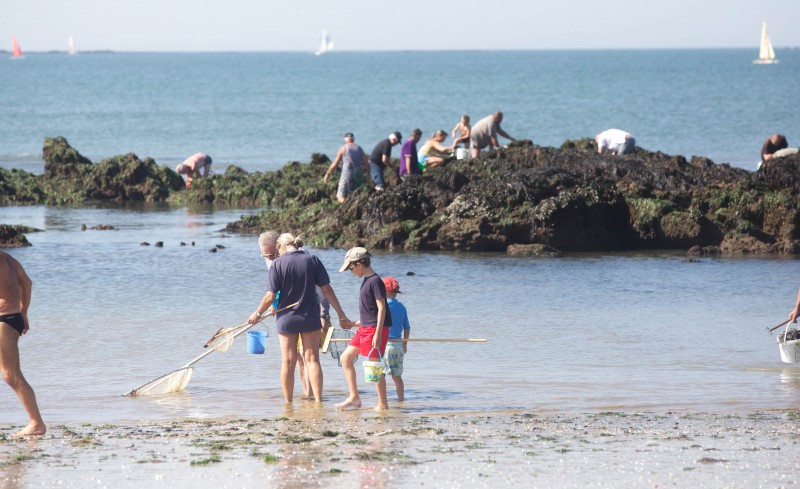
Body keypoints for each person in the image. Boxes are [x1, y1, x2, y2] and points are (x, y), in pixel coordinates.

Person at [248, 233, 350, 403]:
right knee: (312, 359)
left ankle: (288, 403)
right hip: (310, 316)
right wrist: (341, 314)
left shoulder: (277, 264)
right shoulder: (313, 260)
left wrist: (257, 313)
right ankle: (318, 401)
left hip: (286, 319)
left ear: (281, 247)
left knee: (288, 362)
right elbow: (327, 290)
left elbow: (270, 296)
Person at [258, 231, 332, 399]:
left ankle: (298, 399)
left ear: (280, 247)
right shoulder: (307, 260)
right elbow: (276, 292)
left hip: (295, 317)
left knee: (296, 359)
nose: (269, 259)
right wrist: (273, 306)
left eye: (272, 254)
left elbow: (321, 291)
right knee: (304, 358)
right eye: (265, 256)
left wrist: (325, 315)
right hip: (303, 315)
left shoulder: (288, 261)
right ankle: (307, 397)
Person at [335, 247, 392, 411]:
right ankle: (354, 397)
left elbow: (382, 309)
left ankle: (383, 404)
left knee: (374, 367)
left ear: (359, 264)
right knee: (346, 358)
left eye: (351, 268)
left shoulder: (375, 281)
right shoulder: (366, 281)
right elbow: (371, 314)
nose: (351, 271)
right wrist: (353, 324)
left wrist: (378, 333)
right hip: (365, 329)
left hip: (375, 330)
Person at [0, 250, 46, 437]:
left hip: (3, 320)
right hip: (13, 317)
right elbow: (26, 282)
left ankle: (36, 423)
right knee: (10, 373)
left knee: (11, 374)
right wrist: (23, 312)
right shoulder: (7, 257)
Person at [382, 277, 410, 401]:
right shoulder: (402, 307)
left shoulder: (382, 306)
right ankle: (401, 400)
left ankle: (382, 401)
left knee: (380, 374)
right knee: (397, 376)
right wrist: (405, 343)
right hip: (398, 345)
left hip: (384, 345)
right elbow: (407, 327)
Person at [323, 132, 369, 203]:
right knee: (357, 196)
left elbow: (336, 163)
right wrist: (368, 175)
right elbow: (366, 163)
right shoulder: (359, 148)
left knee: (340, 196)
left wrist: (327, 174)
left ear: (345, 139)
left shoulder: (343, 148)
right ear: (353, 139)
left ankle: (347, 205)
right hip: (359, 174)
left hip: (347, 174)